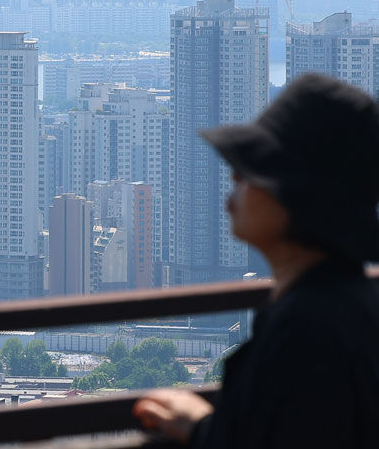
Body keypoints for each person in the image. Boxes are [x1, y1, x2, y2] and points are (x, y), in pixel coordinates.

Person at [132, 73, 379, 447]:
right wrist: (204, 428)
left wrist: (206, 432)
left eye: (252, 172)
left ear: (295, 197)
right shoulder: (349, 305)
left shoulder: (306, 329)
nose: (234, 178)